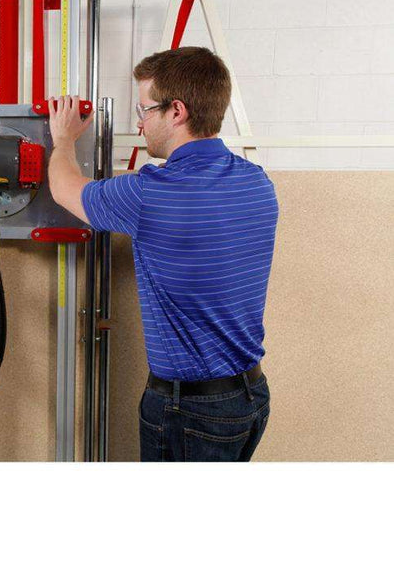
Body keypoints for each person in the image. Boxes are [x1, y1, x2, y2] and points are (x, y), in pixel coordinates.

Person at [47, 46, 278, 462]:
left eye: (145, 110)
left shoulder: (153, 193)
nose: (140, 123)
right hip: (250, 398)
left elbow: (65, 189)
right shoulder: (257, 183)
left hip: (190, 412)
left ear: (176, 111)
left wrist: (63, 139)